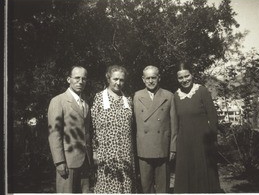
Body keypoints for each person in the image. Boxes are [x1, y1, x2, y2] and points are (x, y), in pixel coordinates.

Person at [173, 61, 221, 193]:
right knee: (186, 172)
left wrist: (212, 139)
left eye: (186, 76)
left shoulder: (202, 91)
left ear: (192, 75)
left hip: (203, 141)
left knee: (204, 172)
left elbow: (213, 116)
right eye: (180, 77)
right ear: (177, 79)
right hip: (184, 142)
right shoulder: (176, 96)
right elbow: (176, 122)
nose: (184, 80)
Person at [91, 65, 137, 193]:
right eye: (115, 79)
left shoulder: (128, 99)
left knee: (126, 184)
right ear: (108, 79)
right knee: (107, 184)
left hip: (126, 152)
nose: (118, 83)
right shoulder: (99, 98)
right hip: (106, 152)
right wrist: (95, 151)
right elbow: (93, 127)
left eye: (121, 80)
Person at [48, 65, 93, 193]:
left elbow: (87, 131)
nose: (80, 81)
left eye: (84, 79)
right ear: (69, 79)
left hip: (85, 160)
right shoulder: (58, 101)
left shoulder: (86, 102)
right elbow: (54, 133)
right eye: (77, 78)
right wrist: (59, 161)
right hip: (67, 160)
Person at [133, 65, 178, 193]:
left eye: (153, 77)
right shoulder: (137, 96)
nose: (151, 81)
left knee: (163, 186)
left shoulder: (168, 96)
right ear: (143, 79)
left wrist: (173, 148)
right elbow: (133, 125)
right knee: (145, 186)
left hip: (162, 148)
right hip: (144, 148)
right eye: (148, 78)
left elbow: (174, 125)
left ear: (159, 78)